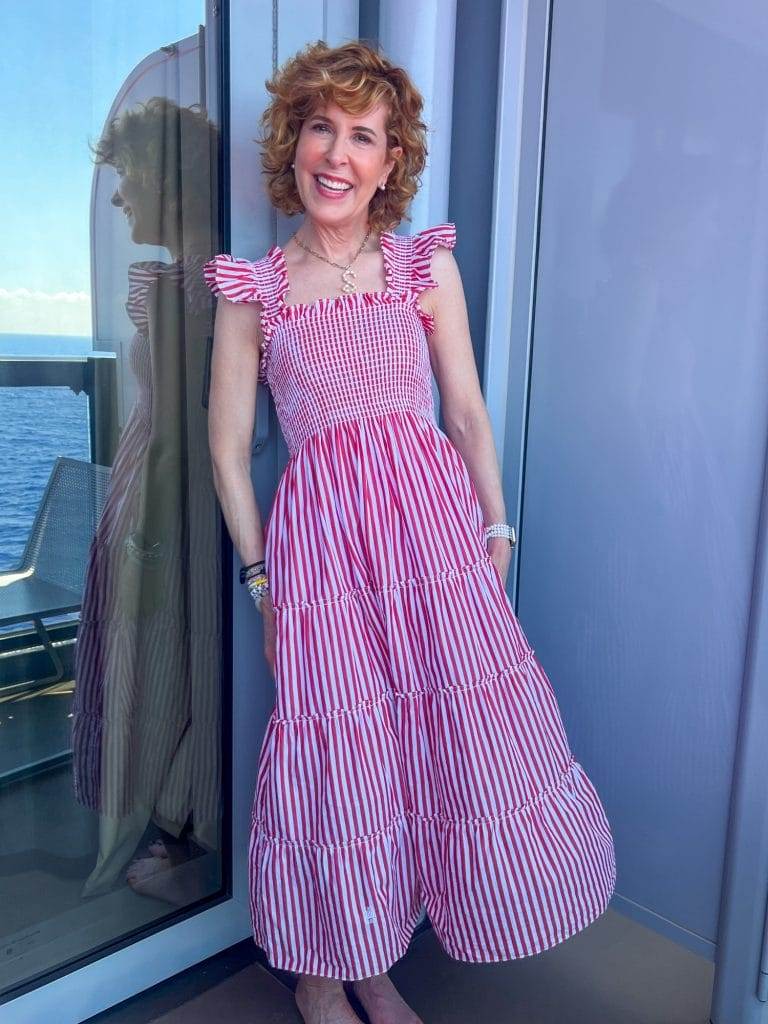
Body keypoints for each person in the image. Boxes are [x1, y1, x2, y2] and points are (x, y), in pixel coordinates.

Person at [204, 39, 616, 1024]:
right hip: (321, 555)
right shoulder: (253, 292)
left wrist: (500, 525)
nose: (336, 153)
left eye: (362, 135)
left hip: (433, 542)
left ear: (391, 162)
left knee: (436, 738)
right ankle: (319, 972)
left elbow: (467, 413)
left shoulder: (419, 268)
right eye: (319, 127)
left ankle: (380, 963)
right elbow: (226, 453)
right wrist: (262, 580)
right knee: (338, 757)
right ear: (292, 142)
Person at [72, 98, 222, 905]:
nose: (121, 197)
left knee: (165, 656)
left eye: (126, 175)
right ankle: (184, 827)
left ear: (165, 178)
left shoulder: (182, 289)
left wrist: (147, 546)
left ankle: (183, 835)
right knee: (191, 658)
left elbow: (170, 432)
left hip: (172, 501)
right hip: (182, 495)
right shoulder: (201, 277)